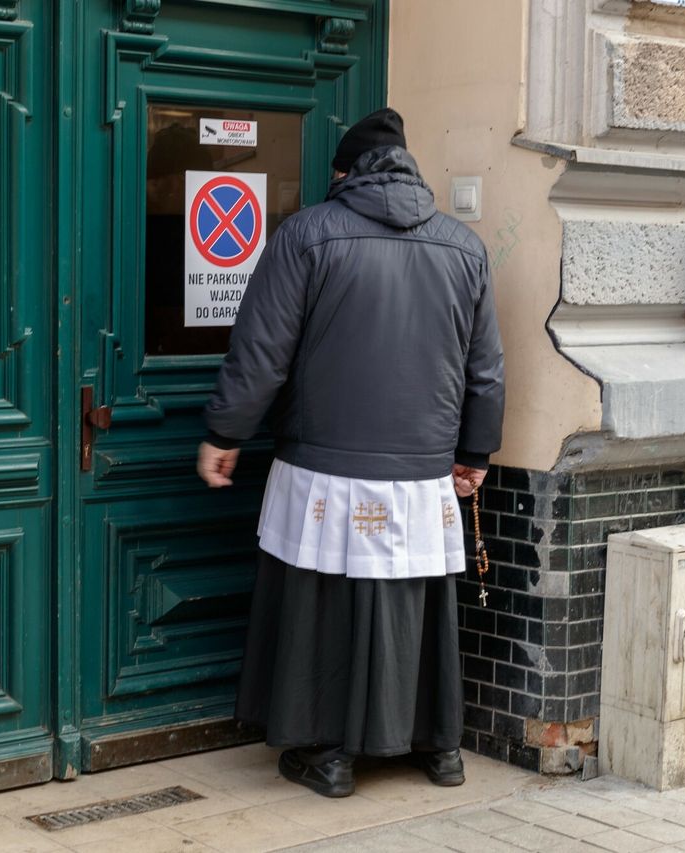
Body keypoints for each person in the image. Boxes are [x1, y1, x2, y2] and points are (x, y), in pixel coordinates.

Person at [197, 107, 504, 798]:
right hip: (425, 465)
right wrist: (476, 449)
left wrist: (225, 433)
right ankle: (440, 747)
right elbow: (485, 367)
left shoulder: (306, 234)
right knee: (417, 607)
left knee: (325, 604)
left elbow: (261, 354)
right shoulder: (465, 245)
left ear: (344, 172)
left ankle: (330, 753)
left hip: (325, 463)